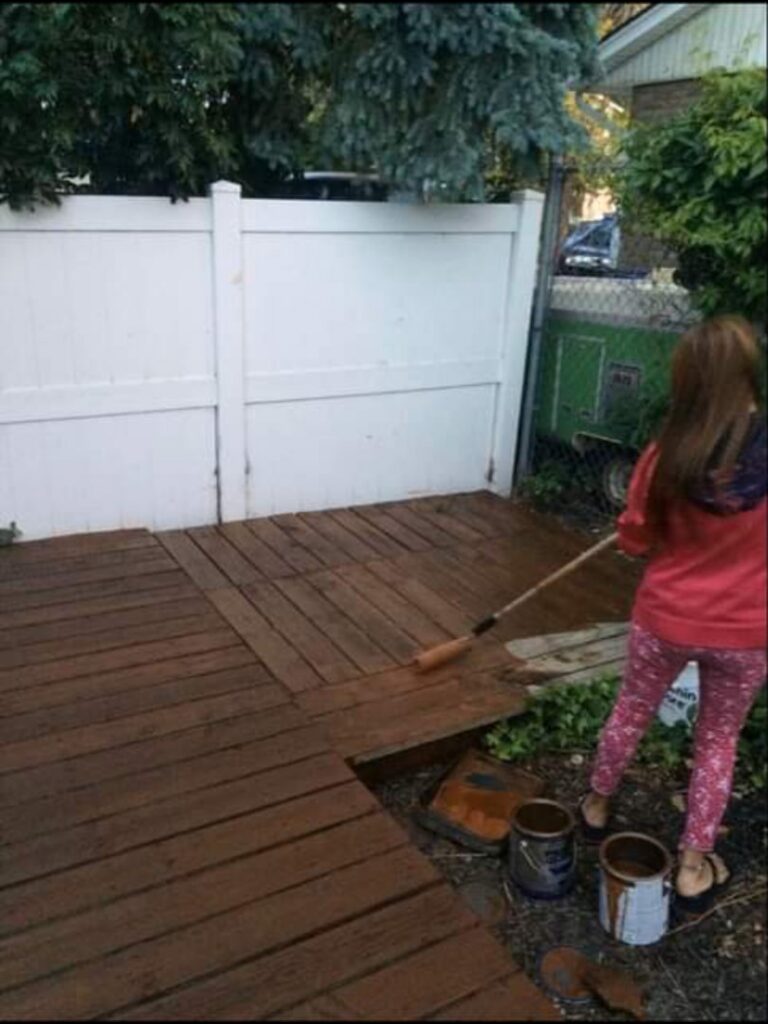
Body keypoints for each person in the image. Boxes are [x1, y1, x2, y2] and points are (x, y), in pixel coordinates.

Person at [579, 314, 767, 915]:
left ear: (686, 379)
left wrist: (636, 530)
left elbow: (636, 540)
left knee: (631, 711)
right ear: (748, 374)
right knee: (717, 740)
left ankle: (596, 808)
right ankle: (691, 869)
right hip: (748, 631)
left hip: (664, 619)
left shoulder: (666, 455)